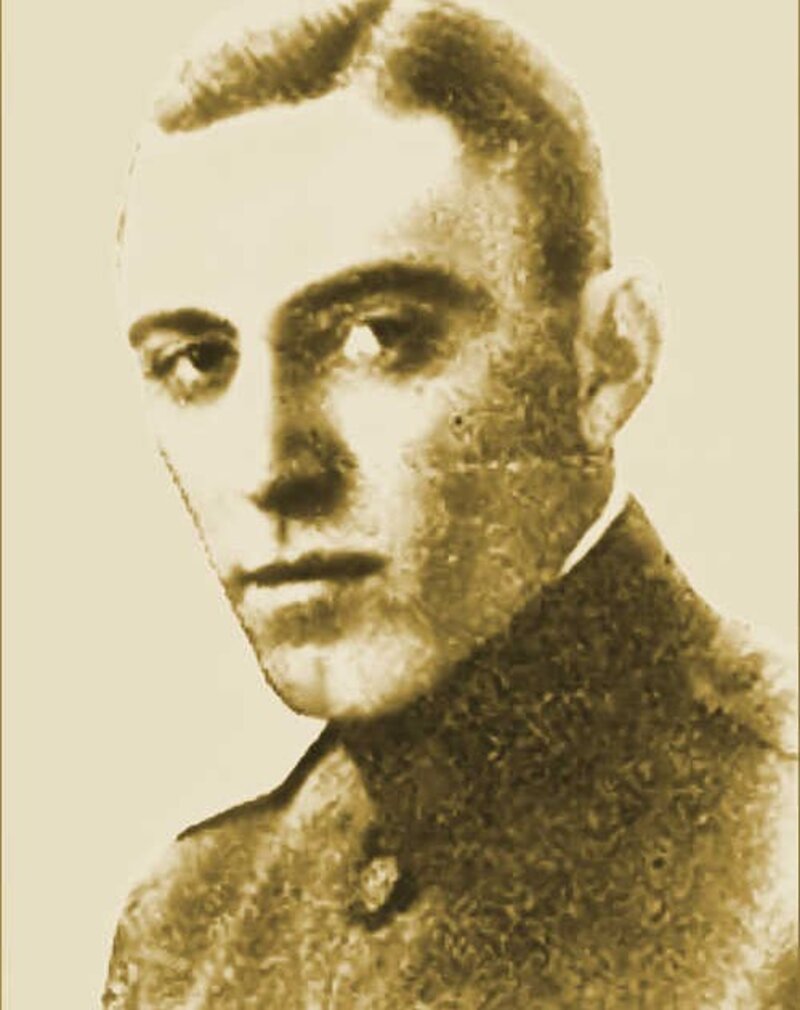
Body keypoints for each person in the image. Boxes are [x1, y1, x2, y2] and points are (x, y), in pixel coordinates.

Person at [103, 1, 797, 1006]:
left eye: (378, 336)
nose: (270, 465)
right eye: (198, 361)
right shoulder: (189, 921)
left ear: (606, 363)